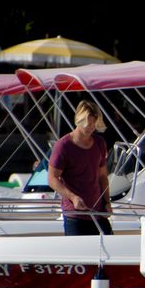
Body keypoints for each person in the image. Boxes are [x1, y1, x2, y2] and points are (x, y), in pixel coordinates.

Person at [48, 100, 113, 236]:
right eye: (87, 124)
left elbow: (102, 176)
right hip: (75, 214)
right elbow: (52, 179)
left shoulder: (100, 143)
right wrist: (73, 197)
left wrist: (107, 201)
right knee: (78, 256)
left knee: (111, 250)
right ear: (79, 120)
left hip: (98, 212)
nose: (90, 128)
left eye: (93, 124)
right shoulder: (63, 146)